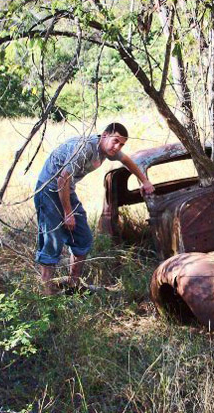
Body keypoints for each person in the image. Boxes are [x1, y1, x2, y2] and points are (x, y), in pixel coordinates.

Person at [34, 122, 155, 295]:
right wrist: (68, 213)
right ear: (104, 135)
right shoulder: (85, 148)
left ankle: (73, 284)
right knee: (52, 242)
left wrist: (144, 181)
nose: (117, 147)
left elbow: (127, 161)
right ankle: (47, 294)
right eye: (116, 141)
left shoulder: (107, 150)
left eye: (121, 144)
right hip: (48, 189)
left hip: (67, 190)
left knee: (83, 238)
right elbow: (62, 179)